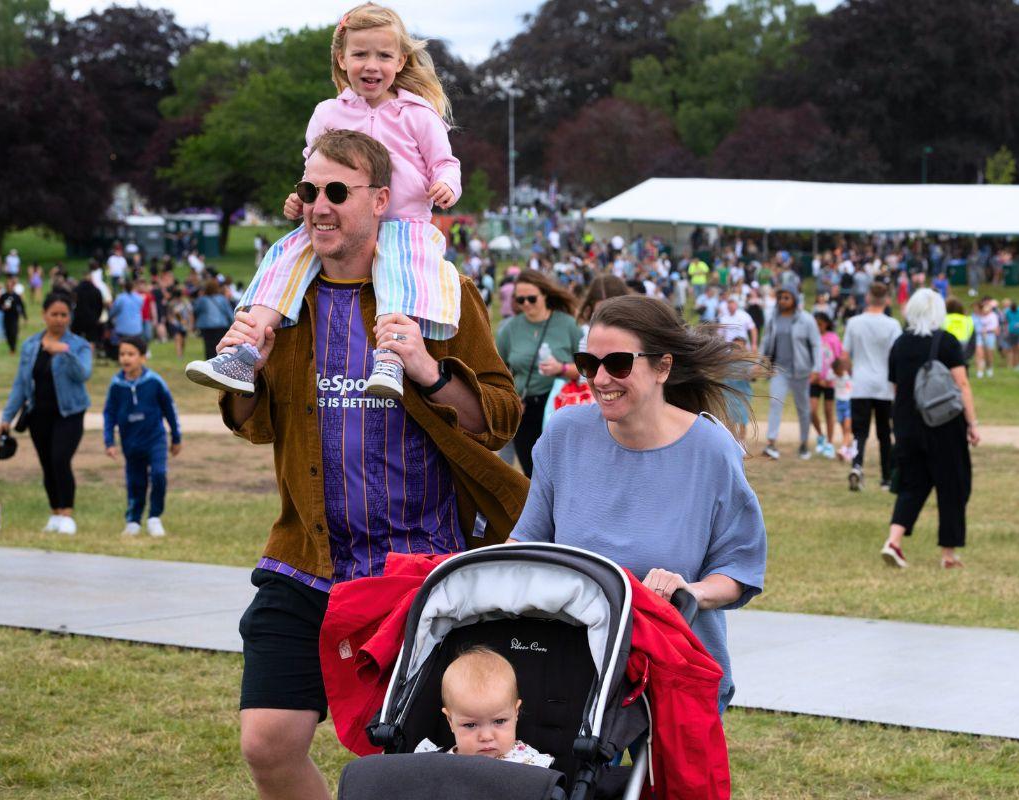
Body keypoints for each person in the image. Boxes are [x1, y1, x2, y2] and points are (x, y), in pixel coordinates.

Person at [218, 129, 522, 800]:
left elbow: (498, 416)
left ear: (381, 200)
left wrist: (427, 369)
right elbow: (254, 425)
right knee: (267, 743)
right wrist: (247, 375)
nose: (319, 207)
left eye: (337, 192)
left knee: (426, 758)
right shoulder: (282, 303)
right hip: (308, 560)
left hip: (419, 567)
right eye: (309, 191)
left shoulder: (440, 293)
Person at [189, 3, 462, 402]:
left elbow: (445, 162)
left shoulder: (417, 114)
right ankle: (243, 352)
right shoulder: (327, 113)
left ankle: (390, 356)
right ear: (342, 58)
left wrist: (445, 184)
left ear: (401, 60)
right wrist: (299, 196)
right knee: (282, 260)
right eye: (360, 54)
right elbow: (311, 169)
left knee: (400, 280)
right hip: (335, 220)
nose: (372, 65)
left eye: (384, 55)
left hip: (404, 224)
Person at [509, 295, 766, 713]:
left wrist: (691, 592)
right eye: (589, 364)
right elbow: (525, 542)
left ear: (663, 367)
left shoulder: (712, 450)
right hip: (575, 669)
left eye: (619, 364)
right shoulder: (565, 433)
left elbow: (738, 569)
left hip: (674, 674)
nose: (601, 379)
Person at [880, 289, 980, 570]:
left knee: (911, 485)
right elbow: (962, 385)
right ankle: (948, 554)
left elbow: (897, 389)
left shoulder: (899, 344)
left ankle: (893, 541)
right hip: (944, 425)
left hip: (907, 425)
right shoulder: (947, 342)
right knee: (952, 486)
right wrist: (972, 423)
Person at [0, 292, 93, 536]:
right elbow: (20, 384)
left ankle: (67, 515)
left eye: (64, 315)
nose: (60, 319)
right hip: (38, 415)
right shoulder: (30, 345)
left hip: (69, 413)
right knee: (47, 464)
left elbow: (83, 374)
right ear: (44, 315)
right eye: (54, 314)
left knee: (60, 460)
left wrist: (64, 352)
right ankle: (54, 513)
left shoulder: (79, 345)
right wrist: (6, 417)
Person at [494, 269, 582, 477]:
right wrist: (510, 395)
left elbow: (587, 369)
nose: (525, 304)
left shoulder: (567, 324)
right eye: (520, 299)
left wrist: (561, 368)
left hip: (560, 406)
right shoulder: (509, 329)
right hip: (525, 409)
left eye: (531, 299)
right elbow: (500, 371)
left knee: (562, 472)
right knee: (532, 473)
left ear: (545, 295)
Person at [413, 646, 553, 766]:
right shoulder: (438, 764)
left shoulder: (529, 764)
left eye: (499, 721)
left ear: (515, 713)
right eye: (470, 725)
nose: (486, 737)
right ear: (450, 721)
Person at [103, 336, 183, 538]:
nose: (125, 358)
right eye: (122, 354)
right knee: (135, 482)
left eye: (131, 354)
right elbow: (109, 414)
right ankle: (133, 521)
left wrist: (176, 437)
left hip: (155, 440)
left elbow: (170, 410)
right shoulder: (116, 385)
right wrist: (109, 441)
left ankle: (154, 517)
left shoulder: (154, 382)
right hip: (130, 443)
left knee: (158, 475)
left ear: (142, 357)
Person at [843, 282, 902, 491]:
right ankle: (886, 477)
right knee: (885, 433)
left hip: (861, 384)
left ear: (868, 298)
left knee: (860, 432)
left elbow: (844, 356)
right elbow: (897, 356)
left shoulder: (854, 323)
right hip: (885, 386)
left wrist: (852, 372)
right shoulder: (893, 325)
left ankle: (857, 465)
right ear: (887, 300)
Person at [759, 286, 821, 460]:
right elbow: (766, 340)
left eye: (786, 297)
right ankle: (771, 443)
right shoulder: (774, 319)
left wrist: (817, 368)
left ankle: (803, 444)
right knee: (775, 403)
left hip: (801, 371)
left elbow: (816, 345)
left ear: (794, 299)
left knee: (803, 409)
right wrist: (758, 361)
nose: (782, 301)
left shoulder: (806, 319)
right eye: (780, 298)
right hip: (779, 369)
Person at [810, 312, 841, 459]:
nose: (817, 327)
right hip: (815, 380)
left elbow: (838, 360)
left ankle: (829, 443)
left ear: (826, 324)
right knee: (811, 410)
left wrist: (832, 377)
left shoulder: (833, 338)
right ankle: (821, 436)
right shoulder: (811, 338)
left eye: (820, 324)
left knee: (829, 411)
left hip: (830, 381)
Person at [193, 280, 235, 360]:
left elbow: (196, 311)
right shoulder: (222, 299)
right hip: (222, 326)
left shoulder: (202, 300)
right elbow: (229, 312)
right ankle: (220, 362)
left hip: (207, 327)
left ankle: (209, 364)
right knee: (220, 346)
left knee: (209, 347)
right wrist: (232, 323)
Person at [832, 356, 855, 461]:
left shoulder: (848, 375)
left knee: (847, 428)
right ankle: (849, 451)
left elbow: (849, 363)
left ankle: (843, 449)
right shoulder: (834, 376)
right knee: (844, 430)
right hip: (839, 404)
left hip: (848, 403)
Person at [0, 276, 26, 354]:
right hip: (6, 317)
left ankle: (13, 348)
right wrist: (3, 307)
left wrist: (24, 317)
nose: (9, 287)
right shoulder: (3, 296)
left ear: (13, 286)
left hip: (14, 317)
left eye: (10, 286)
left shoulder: (16, 296)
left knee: (14, 332)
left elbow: (22, 306)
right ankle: (11, 347)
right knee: (8, 333)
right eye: (8, 286)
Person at [1005, 299, 1019, 371]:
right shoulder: (1008, 312)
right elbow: (1007, 321)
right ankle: (1016, 365)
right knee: (1014, 349)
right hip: (1011, 332)